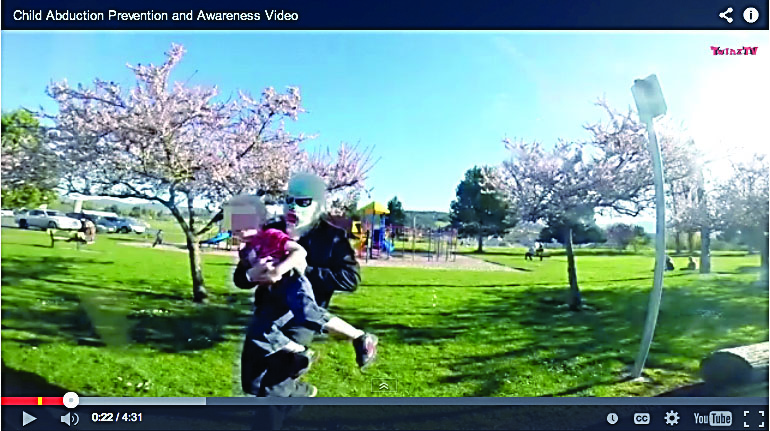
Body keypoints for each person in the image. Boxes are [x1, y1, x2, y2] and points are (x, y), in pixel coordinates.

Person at [234, 173, 376, 398]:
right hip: (266, 312)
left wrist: (300, 270)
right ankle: (301, 392)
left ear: (318, 204)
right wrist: (252, 273)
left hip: (301, 319)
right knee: (251, 383)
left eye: (303, 202)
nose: (293, 207)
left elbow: (350, 279)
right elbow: (240, 278)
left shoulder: (333, 238)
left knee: (275, 389)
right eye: (289, 200)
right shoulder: (271, 229)